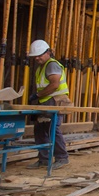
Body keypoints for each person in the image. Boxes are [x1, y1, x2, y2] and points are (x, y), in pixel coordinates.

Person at [26, 39, 70, 169]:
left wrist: (38, 95)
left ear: (48, 52)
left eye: (40, 55)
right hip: (45, 102)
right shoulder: (42, 67)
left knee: (52, 130)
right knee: (40, 130)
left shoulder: (51, 65)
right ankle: (44, 159)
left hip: (54, 101)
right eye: (36, 56)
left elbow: (55, 84)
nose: (38, 58)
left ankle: (62, 157)